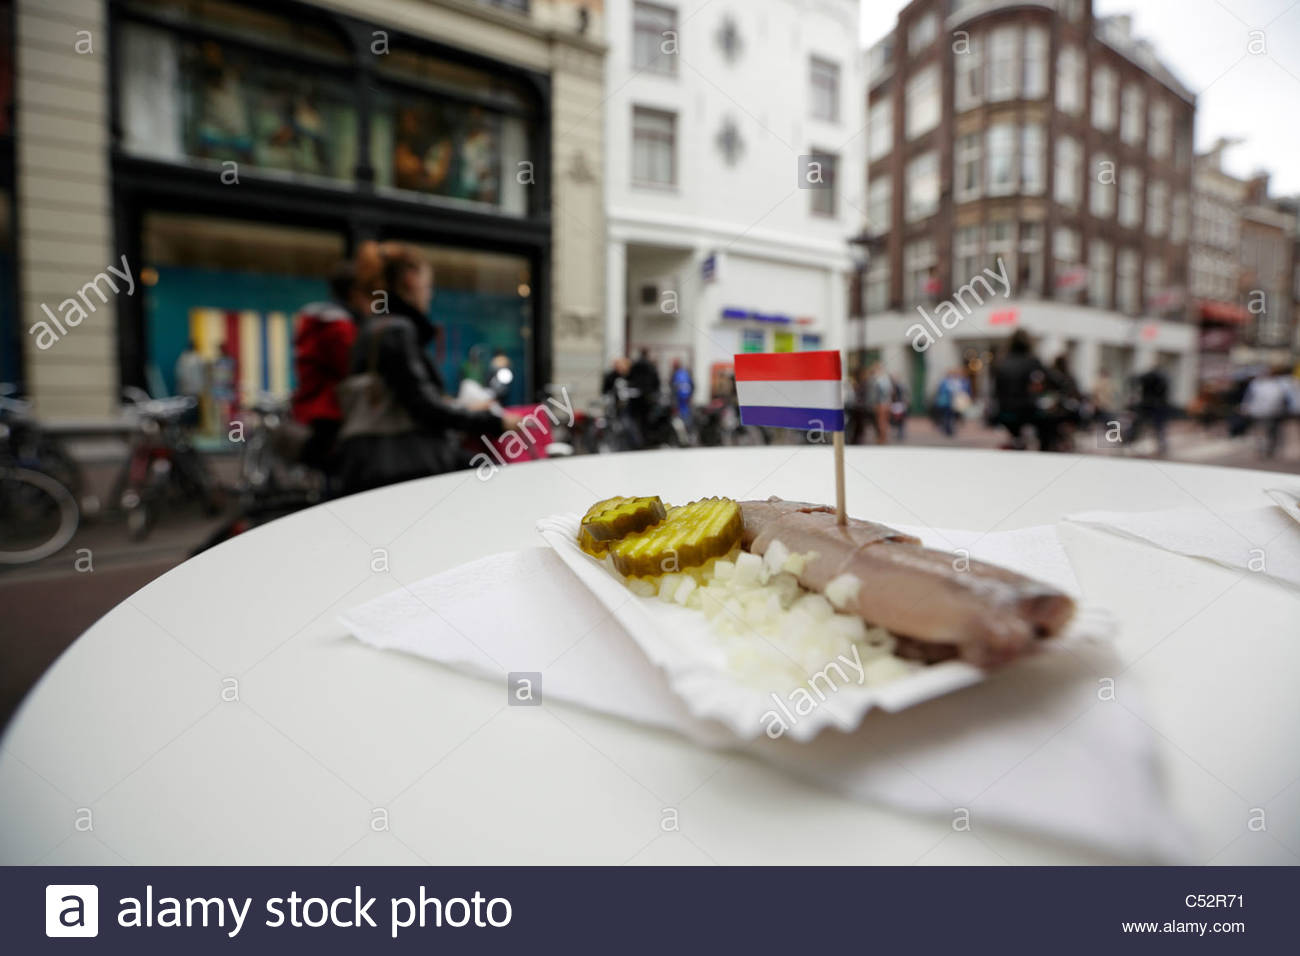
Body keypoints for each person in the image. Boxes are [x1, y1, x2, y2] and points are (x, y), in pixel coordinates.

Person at [335, 242, 520, 494]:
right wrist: (495, 421)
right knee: (497, 481)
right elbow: (424, 407)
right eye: (428, 285)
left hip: (367, 462)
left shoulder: (373, 327)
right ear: (411, 280)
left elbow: (403, 399)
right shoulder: (397, 330)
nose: (429, 294)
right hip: (403, 463)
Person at [291, 260, 361, 472]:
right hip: (333, 409)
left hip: (313, 407)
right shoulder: (339, 326)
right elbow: (349, 367)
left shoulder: (314, 321)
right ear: (354, 291)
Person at [990, 329, 1044, 449]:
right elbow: (1042, 382)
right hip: (1026, 409)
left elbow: (996, 390)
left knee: (1017, 434)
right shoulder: (1032, 361)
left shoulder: (1001, 362)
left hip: (1003, 409)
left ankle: (1017, 441)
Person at [1240, 365, 1292, 459]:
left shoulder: (1278, 384)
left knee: (1271, 431)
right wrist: (1245, 407)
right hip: (1261, 412)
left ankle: (1269, 449)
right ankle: (1262, 449)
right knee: (1262, 431)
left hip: (1273, 412)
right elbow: (1248, 397)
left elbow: (1286, 398)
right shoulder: (1256, 384)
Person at [1126, 364, 1171, 456]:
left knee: (1139, 424)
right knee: (1158, 427)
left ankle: (1129, 441)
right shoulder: (1163, 379)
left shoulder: (1146, 377)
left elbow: (1133, 380)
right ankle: (1162, 445)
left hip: (1146, 404)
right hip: (1157, 405)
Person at [933, 368, 970, 437]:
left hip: (956, 402)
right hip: (947, 402)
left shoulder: (961, 381)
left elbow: (966, 390)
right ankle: (947, 429)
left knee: (954, 415)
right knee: (947, 415)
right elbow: (941, 390)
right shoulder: (946, 382)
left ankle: (951, 428)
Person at [670, 359, 694, 423]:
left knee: (679, 414)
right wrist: (690, 395)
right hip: (686, 398)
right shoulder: (686, 373)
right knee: (686, 413)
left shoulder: (675, 374)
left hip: (679, 398)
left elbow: (672, 387)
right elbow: (692, 385)